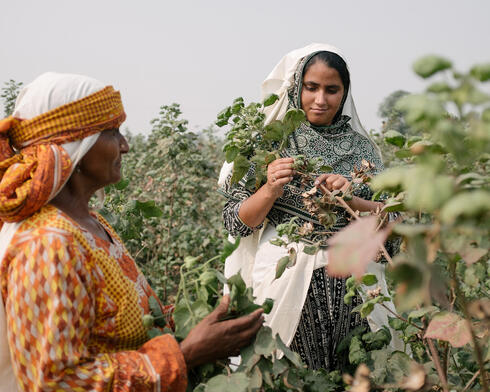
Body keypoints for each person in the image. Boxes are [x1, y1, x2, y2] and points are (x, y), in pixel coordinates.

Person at [0, 72, 264, 392]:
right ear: (75, 148)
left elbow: (122, 319)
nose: (125, 145)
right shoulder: (49, 244)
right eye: (112, 132)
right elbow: (56, 382)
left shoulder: (92, 224)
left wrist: (194, 322)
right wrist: (185, 354)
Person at [219, 43, 403, 371]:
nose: (321, 100)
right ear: (296, 86)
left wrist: (353, 201)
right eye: (311, 87)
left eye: (332, 90)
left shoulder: (364, 151)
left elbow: (389, 238)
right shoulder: (268, 145)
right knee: (288, 375)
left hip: (356, 294)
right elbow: (236, 223)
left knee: (358, 375)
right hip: (285, 288)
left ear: (344, 93)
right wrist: (270, 188)